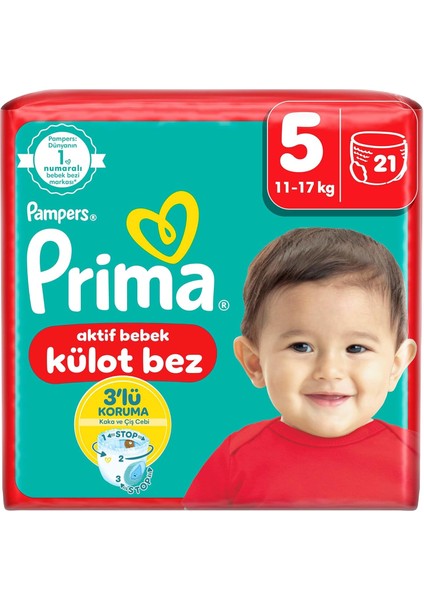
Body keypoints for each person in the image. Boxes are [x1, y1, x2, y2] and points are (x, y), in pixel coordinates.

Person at [183, 228, 418, 508]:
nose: (329, 370)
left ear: (395, 366)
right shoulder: (235, 458)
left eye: (356, 348)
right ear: (254, 362)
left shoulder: (414, 459)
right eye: (301, 347)